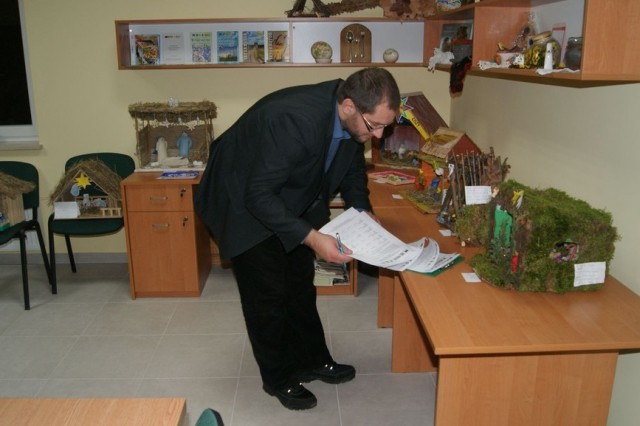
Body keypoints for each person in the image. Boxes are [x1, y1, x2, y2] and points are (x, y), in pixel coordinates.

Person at [194, 67, 401, 410]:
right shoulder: (295, 120)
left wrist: (363, 212)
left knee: (300, 285)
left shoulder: (353, 118)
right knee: (268, 295)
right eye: (374, 126)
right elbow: (258, 195)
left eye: (385, 127)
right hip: (240, 199)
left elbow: (351, 170)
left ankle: (312, 360)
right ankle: (278, 378)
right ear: (349, 106)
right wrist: (313, 238)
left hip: (286, 192)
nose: (378, 135)